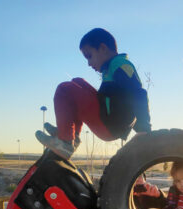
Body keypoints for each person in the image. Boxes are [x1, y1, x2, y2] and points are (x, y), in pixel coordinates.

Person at [36, 28, 151, 159]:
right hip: (110, 121)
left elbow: (138, 94)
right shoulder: (112, 67)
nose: (89, 63)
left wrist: (143, 128)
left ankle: (66, 142)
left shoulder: (120, 65)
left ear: (103, 48)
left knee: (65, 89)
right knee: (77, 82)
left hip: (110, 125)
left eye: (89, 56)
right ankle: (71, 136)